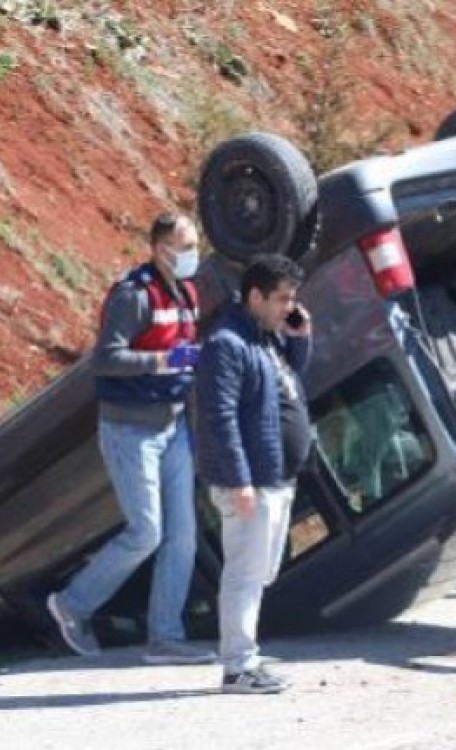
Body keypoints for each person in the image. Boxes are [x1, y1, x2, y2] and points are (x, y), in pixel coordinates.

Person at [46, 212, 216, 666]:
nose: (192, 255)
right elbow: (105, 358)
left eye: (195, 245)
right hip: (130, 430)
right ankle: (70, 605)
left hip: (173, 426)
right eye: (185, 247)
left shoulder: (187, 293)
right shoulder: (132, 294)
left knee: (182, 537)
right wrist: (162, 361)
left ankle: (165, 639)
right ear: (160, 250)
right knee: (146, 532)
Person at [195, 254, 314, 694]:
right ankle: (238, 668)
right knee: (245, 574)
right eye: (281, 298)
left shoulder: (267, 339)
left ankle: (245, 660)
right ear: (255, 296)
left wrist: (300, 339)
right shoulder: (227, 344)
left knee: (258, 573)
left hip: (277, 477)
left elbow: (291, 386)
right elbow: (220, 417)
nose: (289, 307)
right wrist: (240, 479)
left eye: (292, 299)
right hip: (252, 482)